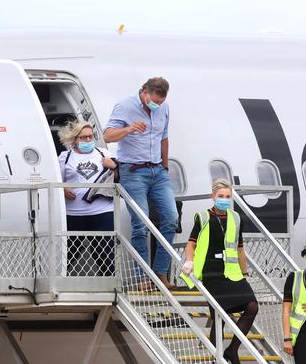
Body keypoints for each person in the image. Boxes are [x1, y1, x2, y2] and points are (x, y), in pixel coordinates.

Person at [103, 77, 178, 289]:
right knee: (141, 224)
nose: (156, 106)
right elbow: (107, 136)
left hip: (157, 170)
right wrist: (128, 130)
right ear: (144, 92)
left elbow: (164, 137)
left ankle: (161, 273)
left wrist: (164, 165)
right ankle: (143, 277)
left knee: (171, 219)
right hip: (134, 170)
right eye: (153, 101)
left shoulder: (164, 109)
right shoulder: (125, 106)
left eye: (160, 103)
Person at [181, 179, 258, 364]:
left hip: (233, 273)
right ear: (213, 197)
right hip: (211, 273)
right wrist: (189, 261)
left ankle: (232, 350)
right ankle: (217, 357)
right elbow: (191, 244)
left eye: (227, 197)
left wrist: (245, 273)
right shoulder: (203, 217)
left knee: (252, 307)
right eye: (220, 196)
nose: (224, 200)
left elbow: (240, 249)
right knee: (219, 315)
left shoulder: (236, 218)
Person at [58, 120, 117, 276]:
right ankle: (60, 281)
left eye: (90, 137)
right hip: (74, 213)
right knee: (69, 251)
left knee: (103, 250)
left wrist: (114, 166)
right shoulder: (65, 157)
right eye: (83, 138)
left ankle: (109, 283)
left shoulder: (104, 154)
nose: (88, 141)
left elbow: (119, 177)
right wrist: (63, 189)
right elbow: (56, 180)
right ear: (74, 139)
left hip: (102, 211)